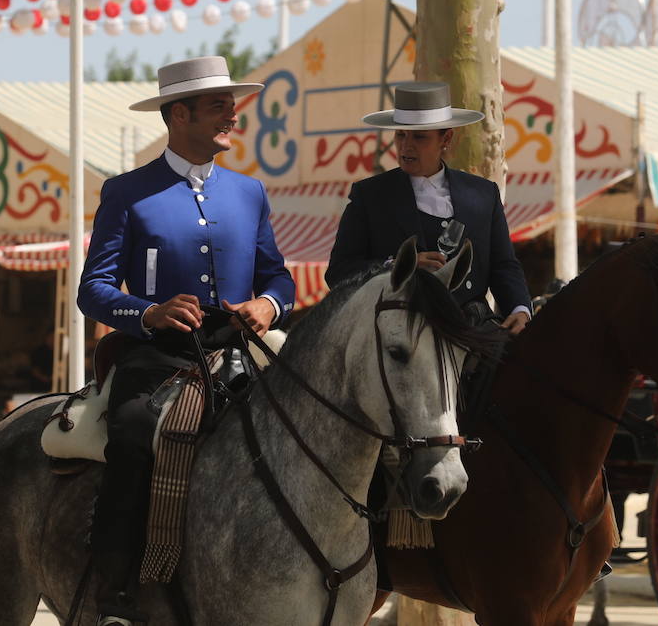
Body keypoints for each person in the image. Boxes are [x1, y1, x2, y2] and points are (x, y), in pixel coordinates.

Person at [77, 56, 296, 626]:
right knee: (129, 434)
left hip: (240, 352)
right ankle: (117, 596)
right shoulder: (126, 192)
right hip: (156, 355)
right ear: (179, 114)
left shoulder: (249, 193)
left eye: (231, 105)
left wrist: (267, 304)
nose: (233, 116)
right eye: (220, 107)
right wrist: (148, 314)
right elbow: (94, 291)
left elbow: (279, 277)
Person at [325, 81, 532, 334]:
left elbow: (503, 265)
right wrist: (396, 267)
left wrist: (520, 309)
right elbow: (339, 272)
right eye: (401, 135)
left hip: (472, 331)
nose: (406, 145)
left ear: (446, 138)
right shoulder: (370, 195)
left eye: (419, 137)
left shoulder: (483, 194)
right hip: (396, 335)